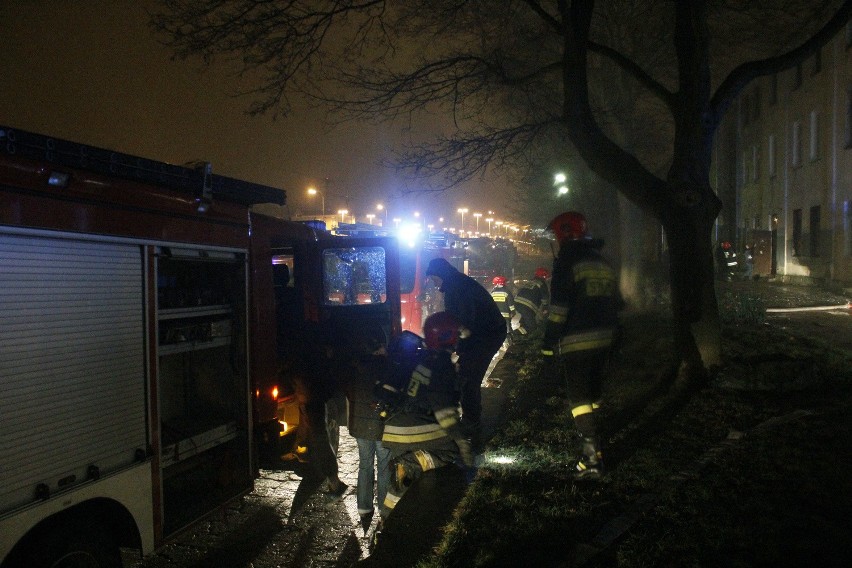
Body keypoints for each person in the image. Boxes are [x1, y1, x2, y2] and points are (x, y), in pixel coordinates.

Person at [541, 211, 622, 481]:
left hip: (577, 341)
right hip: (606, 338)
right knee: (594, 395)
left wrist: (548, 343)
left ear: (564, 234)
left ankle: (591, 461)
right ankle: (596, 443)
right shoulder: (601, 261)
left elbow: (558, 310)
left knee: (579, 400)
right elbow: (617, 302)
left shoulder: (567, 261)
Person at [377, 312, 474, 518]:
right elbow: (445, 413)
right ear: (448, 337)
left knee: (401, 488)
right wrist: (462, 441)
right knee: (451, 452)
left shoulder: (423, 358)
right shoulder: (441, 366)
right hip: (414, 430)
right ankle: (413, 461)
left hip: (396, 428)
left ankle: (386, 521)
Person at [424, 257, 506, 449]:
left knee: (469, 377)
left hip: (486, 335)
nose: (434, 284)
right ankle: (471, 418)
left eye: (435, 279)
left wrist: (455, 350)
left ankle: (472, 423)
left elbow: (463, 324)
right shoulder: (455, 284)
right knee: (467, 372)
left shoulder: (457, 289)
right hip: (482, 333)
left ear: (441, 275)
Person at [345, 337, 393, 533]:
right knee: (384, 466)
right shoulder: (386, 367)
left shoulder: (356, 367)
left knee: (365, 464)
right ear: (380, 347)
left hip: (360, 424)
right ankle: (383, 508)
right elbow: (390, 394)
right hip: (381, 426)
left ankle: (364, 508)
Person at [514, 267, 549, 336]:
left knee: (525, 322)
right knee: (532, 327)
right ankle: (513, 335)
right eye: (546, 277)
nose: (546, 279)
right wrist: (545, 308)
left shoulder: (530, 282)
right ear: (543, 276)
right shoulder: (542, 284)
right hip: (526, 306)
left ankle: (521, 337)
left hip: (517, 303)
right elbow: (545, 298)